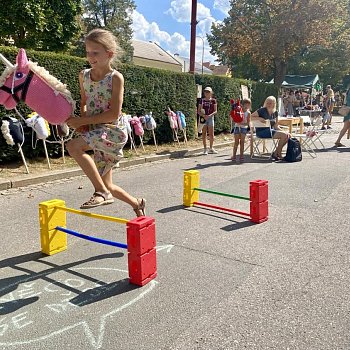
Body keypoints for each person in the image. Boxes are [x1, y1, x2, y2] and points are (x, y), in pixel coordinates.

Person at [65, 28, 146, 216]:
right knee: (107, 183)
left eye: (95, 53)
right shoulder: (83, 75)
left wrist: (82, 120)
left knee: (73, 147)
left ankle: (100, 192)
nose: (90, 57)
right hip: (95, 131)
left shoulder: (115, 78)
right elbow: (84, 103)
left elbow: (113, 113)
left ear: (109, 54)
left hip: (112, 131)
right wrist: (83, 121)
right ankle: (137, 203)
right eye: (87, 52)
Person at [251, 96, 289, 160]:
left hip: (270, 131)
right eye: (267, 103)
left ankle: (276, 152)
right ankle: (279, 153)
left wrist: (283, 131)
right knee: (284, 135)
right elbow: (250, 117)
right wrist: (260, 118)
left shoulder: (275, 112)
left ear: (274, 103)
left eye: (270, 103)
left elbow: (276, 127)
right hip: (261, 132)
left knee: (287, 135)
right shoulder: (262, 110)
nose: (268, 104)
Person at [197, 86, 218, 154]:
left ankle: (211, 148)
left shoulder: (213, 100)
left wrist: (209, 115)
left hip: (210, 118)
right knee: (204, 134)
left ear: (211, 93)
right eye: (205, 92)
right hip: (203, 118)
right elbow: (198, 111)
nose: (206, 93)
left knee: (211, 134)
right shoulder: (201, 100)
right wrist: (203, 115)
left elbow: (215, 111)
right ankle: (205, 149)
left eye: (208, 92)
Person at [231, 98, 251, 163]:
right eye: (245, 104)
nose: (246, 106)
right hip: (237, 127)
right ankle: (234, 155)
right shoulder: (238, 110)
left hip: (243, 128)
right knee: (236, 142)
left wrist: (242, 123)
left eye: (248, 105)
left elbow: (248, 123)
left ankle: (241, 156)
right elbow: (233, 117)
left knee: (242, 142)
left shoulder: (248, 113)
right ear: (242, 104)